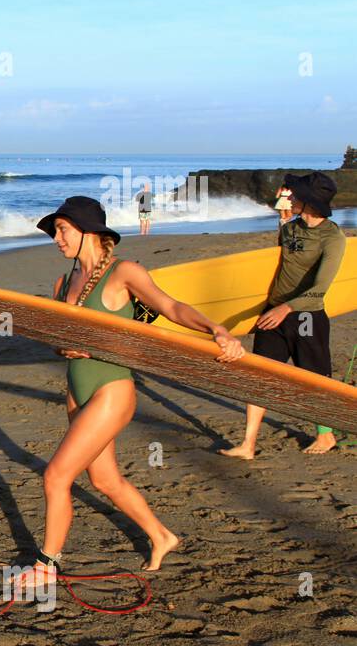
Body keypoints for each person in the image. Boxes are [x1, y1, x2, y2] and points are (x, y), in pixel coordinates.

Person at [12, 197, 244, 591]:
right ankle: (162, 536)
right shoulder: (63, 283)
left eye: (62, 229)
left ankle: (46, 565)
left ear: (87, 229)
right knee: (104, 480)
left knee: (55, 476)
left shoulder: (124, 272)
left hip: (111, 388)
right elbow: (59, 341)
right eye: (54, 231)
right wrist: (64, 347)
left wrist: (216, 330)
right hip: (77, 388)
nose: (56, 238)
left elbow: (171, 306)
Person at [220, 172, 345, 458]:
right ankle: (248, 444)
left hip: (305, 316)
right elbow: (277, 264)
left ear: (310, 202)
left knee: (313, 378)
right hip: (272, 313)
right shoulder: (290, 228)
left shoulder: (332, 237)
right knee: (259, 376)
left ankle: (325, 436)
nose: (293, 198)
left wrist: (286, 308)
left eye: (298, 195)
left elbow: (320, 288)